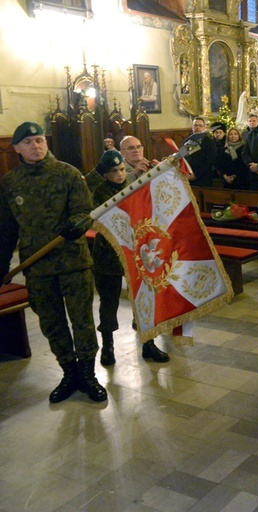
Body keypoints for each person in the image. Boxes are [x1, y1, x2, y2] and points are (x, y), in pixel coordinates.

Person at [0, 122, 107, 403]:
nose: (35, 146)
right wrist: (2, 266)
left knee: (82, 321)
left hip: (73, 263)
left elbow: (85, 212)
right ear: (16, 149)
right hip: (38, 269)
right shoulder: (10, 183)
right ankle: (69, 372)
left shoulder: (67, 174)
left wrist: (76, 224)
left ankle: (88, 375)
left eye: (39, 140)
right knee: (52, 324)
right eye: (28, 143)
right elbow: (7, 229)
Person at [90, 151, 169, 366]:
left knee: (143, 299)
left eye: (122, 170)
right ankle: (108, 346)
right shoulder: (98, 192)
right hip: (109, 254)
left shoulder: (134, 187)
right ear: (105, 173)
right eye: (114, 171)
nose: (119, 174)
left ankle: (149, 344)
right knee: (109, 302)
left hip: (137, 252)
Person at [185, 117, 217, 187]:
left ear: (204, 128)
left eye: (200, 125)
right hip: (188, 176)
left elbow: (210, 161)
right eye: (195, 125)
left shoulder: (209, 142)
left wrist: (196, 175)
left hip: (204, 177)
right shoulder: (187, 141)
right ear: (192, 127)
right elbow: (183, 158)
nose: (197, 127)